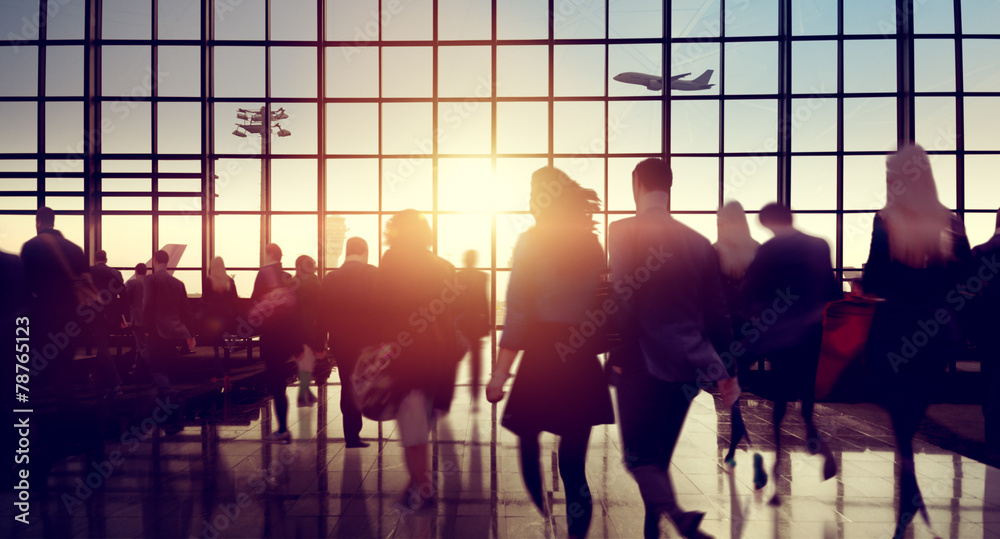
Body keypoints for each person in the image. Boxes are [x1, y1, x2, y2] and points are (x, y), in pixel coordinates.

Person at [606, 158, 735, 539]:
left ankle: (679, 519)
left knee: (638, 458)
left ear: (637, 184)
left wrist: (618, 356)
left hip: (642, 362)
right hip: (690, 366)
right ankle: (653, 530)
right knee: (658, 459)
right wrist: (729, 371)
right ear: (669, 187)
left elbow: (623, 298)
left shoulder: (623, 231)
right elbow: (717, 312)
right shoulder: (697, 243)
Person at [486, 167, 615, 539]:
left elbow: (519, 312)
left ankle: (542, 510)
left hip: (542, 357)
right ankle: (575, 535)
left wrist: (499, 375)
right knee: (575, 467)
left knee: (527, 441)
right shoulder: (590, 244)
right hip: (579, 360)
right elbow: (602, 303)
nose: (529, 201)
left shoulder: (531, 241)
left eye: (533, 193)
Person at [862, 145, 971, 539]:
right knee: (916, 400)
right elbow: (966, 277)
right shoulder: (949, 222)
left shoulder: (885, 221)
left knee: (896, 403)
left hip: (895, 326)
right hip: (935, 327)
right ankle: (909, 482)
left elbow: (875, 277)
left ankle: (908, 474)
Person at [738, 202, 841, 504]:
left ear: (769, 222)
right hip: (811, 330)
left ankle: (779, 470)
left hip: (781, 333)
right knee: (806, 394)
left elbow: (749, 290)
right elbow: (832, 290)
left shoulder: (769, 250)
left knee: (780, 400)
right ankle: (814, 435)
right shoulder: (819, 245)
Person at [371, 210, 466, 511]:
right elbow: (452, 316)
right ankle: (417, 483)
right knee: (419, 422)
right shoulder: (443, 267)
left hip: (406, 356)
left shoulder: (392, 262)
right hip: (438, 356)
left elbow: (380, 310)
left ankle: (423, 488)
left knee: (412, 428)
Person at [712, 202, 767, 488]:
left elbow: (707, 296)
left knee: (730, 391)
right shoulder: (757, 250)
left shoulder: (714, 252)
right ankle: (738, 445)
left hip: (724, 332)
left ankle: (748, 445)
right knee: (734, 388)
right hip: (752, 332)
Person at [20, 207, 88, 406]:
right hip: (70, 321)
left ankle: (35, 418)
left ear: (38, 222)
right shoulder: (75, 249)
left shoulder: (31, 247)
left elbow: (25, 285)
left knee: (37, 367)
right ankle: (66, 415)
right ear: (54, 221)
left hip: (42, 319)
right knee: (64, 371)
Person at [322, 237, 377, 448]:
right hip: (367, 342)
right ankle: (357, 428)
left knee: (347, 383)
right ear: (365, 252)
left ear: (347, 252)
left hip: (341, 342)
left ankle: (351, 435)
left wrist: (320, 344)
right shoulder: (373, 274)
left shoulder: (331, 278)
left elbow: (323, 313)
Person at [251, 243, 302, 444]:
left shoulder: (264, 273)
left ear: (269, 254)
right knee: (280, 382)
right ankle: (282, 428)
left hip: (271, 337)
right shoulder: (287, 277)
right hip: (287, 338)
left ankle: (282, 429)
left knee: (276, 383)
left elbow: (255, 302)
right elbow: (295, 310)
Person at [142, 249, 196, 433]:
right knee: (164, 367)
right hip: (174, 332)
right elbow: (186, 310)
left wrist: (147, 328)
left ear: (155, 261)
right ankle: (166, 405)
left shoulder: (149, 280)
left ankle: (171, 396)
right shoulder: (178, 283)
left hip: (156, 331)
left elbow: (147, 305)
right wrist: (191, 334)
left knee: (155, 367)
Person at [970, 208, 1000, 460]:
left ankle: (993, 440)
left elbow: (967, 293)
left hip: (987, 327)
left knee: (989, 377)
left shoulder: (980, 252)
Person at [88, 249, 125, 399]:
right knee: (102, 345)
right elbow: (123, 295)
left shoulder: (89, 272)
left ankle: (115, 384)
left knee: (102, 346)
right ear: (106, 259)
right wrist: (123, 317)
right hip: (112, 317)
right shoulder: (116, 273)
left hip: (94, 314)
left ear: (94, 259)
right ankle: (96, 376)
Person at [456, 249, 490, 404]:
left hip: (462, 323)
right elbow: (484, 301)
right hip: (476, 323)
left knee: (455, 356)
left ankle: (449, 390)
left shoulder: (458, 276)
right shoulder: (482, 277)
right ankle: (475, 391)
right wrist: (486, 324)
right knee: (476, 359)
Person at [293, 254, 323, 407]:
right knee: (307, 360)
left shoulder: (297, 283)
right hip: (308, 326)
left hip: (299, 326)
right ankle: (302, 394)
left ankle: (305, 392)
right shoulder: (313, 282)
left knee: (304, 361)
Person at [201, 256, 238, 371]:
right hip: (227, 317)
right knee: (225, 339)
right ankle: (227, 361)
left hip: (214, 316)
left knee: (216, 340)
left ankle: (217, 362)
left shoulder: (209, 280)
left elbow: (206, 298)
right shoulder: (229, 280)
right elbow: (235, 298)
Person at [125, 263, 148, 376]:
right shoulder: (151, 282)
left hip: (137, 318)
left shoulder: (132, 283)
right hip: (149, 318)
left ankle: (149, 367)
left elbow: (127, 300)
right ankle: (138, 366)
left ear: (136, 271)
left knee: (140, 344)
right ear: (146, 271)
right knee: (143, 344)